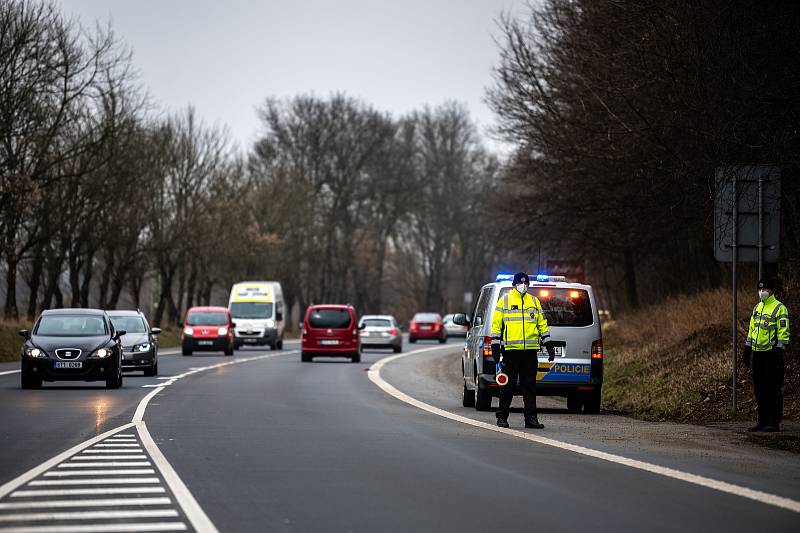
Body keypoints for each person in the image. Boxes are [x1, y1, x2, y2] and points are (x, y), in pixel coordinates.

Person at [491, 272, 555, 429]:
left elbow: (542, 325)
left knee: (529, 386)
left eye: (526, 283)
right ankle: (502, 417)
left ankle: (531, 419)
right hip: (511, 351)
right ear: (514, 285)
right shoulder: (504, 301)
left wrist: (549, 344)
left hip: (530, 352)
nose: (523, 286)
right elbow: (496, 325)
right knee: (508, 385)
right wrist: (495, 346)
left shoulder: (534, 301)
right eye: (520, 283)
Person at [743, 277, 790, 432]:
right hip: (757, 355)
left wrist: (780, 350)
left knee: (773, 389)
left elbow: (783, 331)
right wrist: (747, 348)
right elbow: (752, 330)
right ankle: (761, 421)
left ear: (771, 291)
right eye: (760, 289)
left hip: (771, 355)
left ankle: (773, 422)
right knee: (759, 389)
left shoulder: (779, 308)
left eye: (765, 289)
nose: (762, 292)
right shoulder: (757, 308)